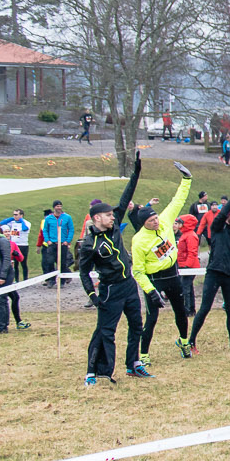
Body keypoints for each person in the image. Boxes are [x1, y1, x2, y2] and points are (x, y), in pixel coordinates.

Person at [76, 150, 146, 384]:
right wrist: (91, 294)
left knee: (137, 325)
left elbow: (127, 195)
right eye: (107, 216)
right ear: (96, 218)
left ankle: (134, 364)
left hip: (129, 286)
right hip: (110, 290)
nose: (112, 218)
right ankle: (94, 372)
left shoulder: (115, 223)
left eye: (111, 215)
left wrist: (136, 172)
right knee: (105, 332)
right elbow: (83, 271)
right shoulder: (89, 244)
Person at [128, 161, 195, 364]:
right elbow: (138, 271)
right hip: (154, 280)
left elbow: (178, 200)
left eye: (156, 218)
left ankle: (184, 342)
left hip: (172, 274)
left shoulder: (165, 220)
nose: (156, 222)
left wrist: (187, 179)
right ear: (143, 224)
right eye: (151, 221)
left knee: (181, 312)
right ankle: (144, 355)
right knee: (151, 318)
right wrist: (149, 290)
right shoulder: (139, 240)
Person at [190, 184, 230, 351]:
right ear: (227, 216)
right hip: (214, 273)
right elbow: (222, 213)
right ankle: (191, 342)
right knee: (205, 308)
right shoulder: (218, 228)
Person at [40, 199, 73, 288]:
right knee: (50, 261)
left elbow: (71, 229)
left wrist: (67, 240)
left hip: (62, 243)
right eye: (57, 206)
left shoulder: (67, 217)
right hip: (52, 243)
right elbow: (45, 230)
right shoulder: (48, 218)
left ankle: (62, 281)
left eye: (60, 206)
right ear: (54, 207)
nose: (59, 208)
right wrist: (48, 240)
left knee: (62, 262)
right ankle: (51, 280)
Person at [2, 209, 30, 286]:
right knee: (15, 263)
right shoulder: (12, 222)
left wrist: (21, 220)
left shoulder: (26, 223)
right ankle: (17, 280)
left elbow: (25, 228)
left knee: (23, 263)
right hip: (14, 245)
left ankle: (25, 280)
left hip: (23, 245)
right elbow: (0, 224)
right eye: (14, 214)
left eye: (16, 215)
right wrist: (11, 219)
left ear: (21, 215)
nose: (14, 216)